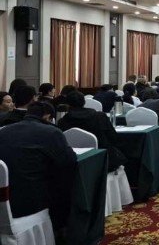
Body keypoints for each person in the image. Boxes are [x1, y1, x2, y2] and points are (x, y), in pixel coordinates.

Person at [0, 101, 77, 230]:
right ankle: (62, 230)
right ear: (47, 117)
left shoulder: (4, 131)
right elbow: (70, 162)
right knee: (63, 186)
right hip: (29, 202)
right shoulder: (51, 132)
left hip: (5, 196)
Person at [58, 91, 127, 172]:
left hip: (73, 163)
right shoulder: (100, 116)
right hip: (104, 161)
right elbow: (113, 138)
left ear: (67, 104)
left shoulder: (62, 122)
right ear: (84, 102)